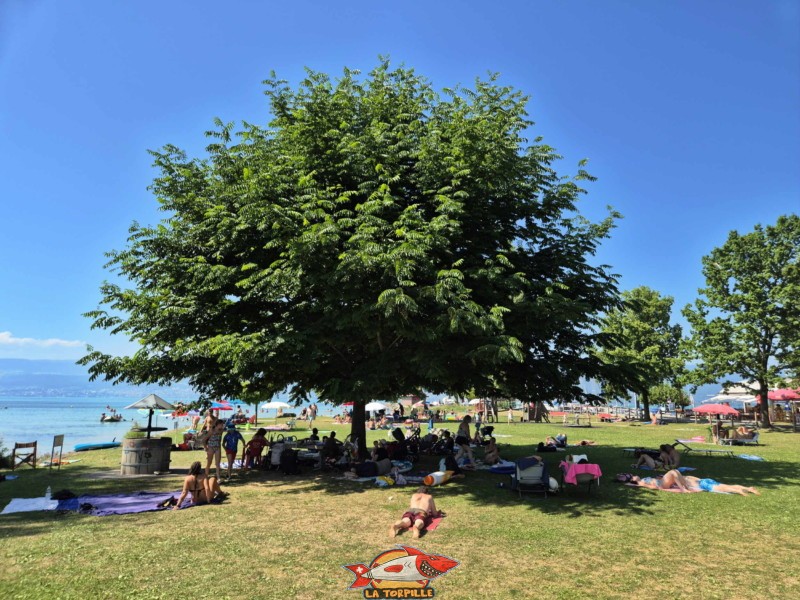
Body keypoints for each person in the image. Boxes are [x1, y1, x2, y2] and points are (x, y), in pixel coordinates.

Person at [683, 475, 760, 496]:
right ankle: (748, 488)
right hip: (705, 480)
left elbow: (686, 486)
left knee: (723, 489)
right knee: (728, 486)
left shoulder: (680, 479)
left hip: (703, 484)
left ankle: (738, 491)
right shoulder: (686, 476)